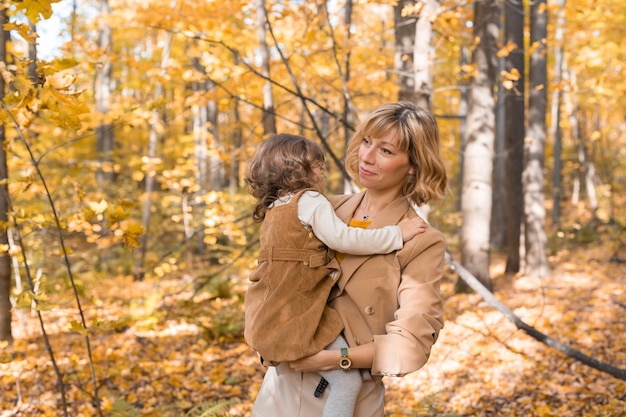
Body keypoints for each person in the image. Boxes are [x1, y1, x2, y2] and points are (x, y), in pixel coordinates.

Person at [250, 102, 448, 417]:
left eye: (386, 150)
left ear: (413, 165)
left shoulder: (421, 241)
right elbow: (272, 276)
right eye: (367, 142)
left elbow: (412, 345)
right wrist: (268, 342)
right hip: (281, 391)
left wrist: (334, 359)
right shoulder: (318, 206)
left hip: (349, 399)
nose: (367, 156)